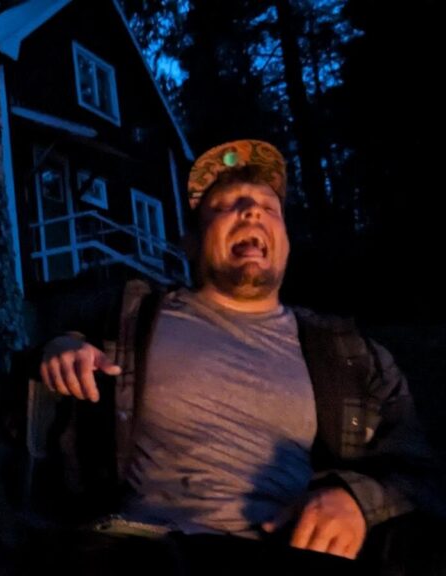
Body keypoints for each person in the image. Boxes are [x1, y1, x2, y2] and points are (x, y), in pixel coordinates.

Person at [36, 139, 444, 568]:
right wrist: (57, 348)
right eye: (227, 205)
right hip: (144, 549)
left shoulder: (350, 355)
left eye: (269, 208)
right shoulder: (128, 318)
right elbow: (40, 348)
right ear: (191, 243)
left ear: (285, 242)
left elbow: (420, 469)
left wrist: (358, 500)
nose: (251, 212)